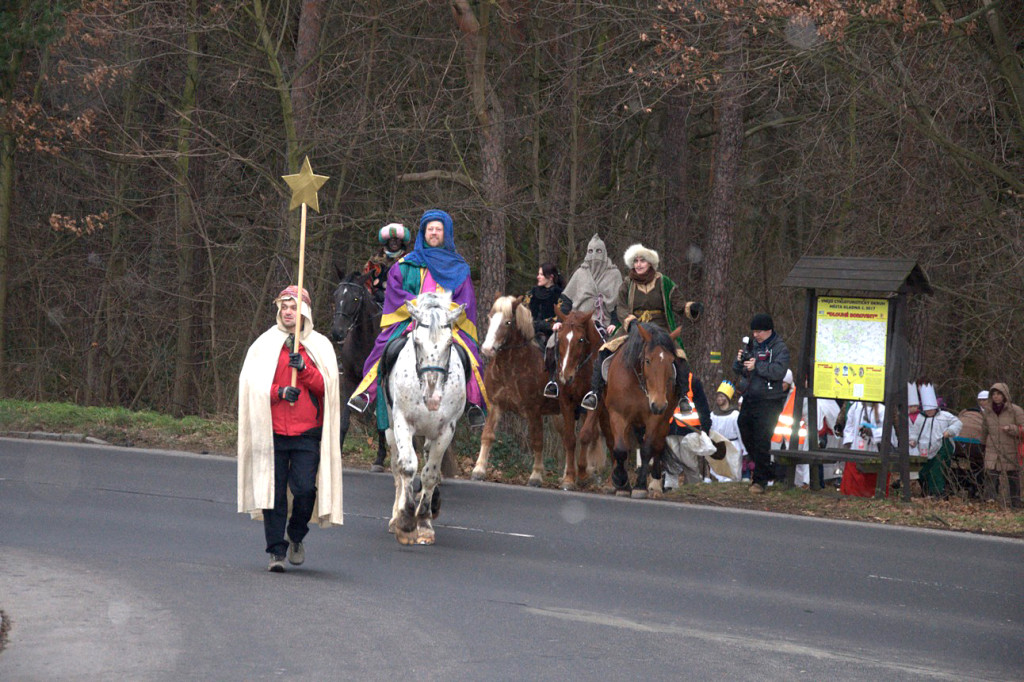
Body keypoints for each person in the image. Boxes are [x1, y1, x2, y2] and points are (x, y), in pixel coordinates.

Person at [347, 209, 488, 428]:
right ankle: (366, 394)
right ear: (424, 233)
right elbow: (395, 292)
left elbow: (465, 300)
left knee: (471, 357)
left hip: (447, 324)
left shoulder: (460, 268)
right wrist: (420, 307)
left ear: (446, 233)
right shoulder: (406, 265)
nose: (433, 233)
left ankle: (474, 404)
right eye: (430, 229)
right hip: (410, 319)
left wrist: (441, 312)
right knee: (382, 349)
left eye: (438, 229)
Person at [237, 286, 343, 572]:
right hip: (272, 431)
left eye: (293, 307)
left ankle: (296, 536)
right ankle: (276, 552)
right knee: (274, 494)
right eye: (284, 307)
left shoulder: (319, 346)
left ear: (304, 312)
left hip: (307, 433)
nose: (287, 312)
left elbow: (327, 389)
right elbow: (252, 386)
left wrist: (305, 369)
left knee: (305, 489)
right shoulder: (264, 344)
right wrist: (279, 392)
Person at [581, 243, 702, 411]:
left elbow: (679, 304)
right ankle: (594, 393)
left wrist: (691, 307)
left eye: (642, 261)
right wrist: (630, 322)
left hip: (660, 329)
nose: (638, 264)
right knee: (604, 350)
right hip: (634, 327)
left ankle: (682, 397)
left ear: (650, 263)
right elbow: (621, 307)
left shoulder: (664, 282)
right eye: (636, 261)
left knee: (680, 357)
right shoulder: (627, 284)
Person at [733, 313, 790, 494]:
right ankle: (764, 467)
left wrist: (757, 365)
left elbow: (778, 372)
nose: (755, 335)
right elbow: (739, 370)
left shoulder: (780, 348)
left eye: (758, 331)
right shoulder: (753, 345)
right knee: (744, 427)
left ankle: (759, 481)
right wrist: (740, 361)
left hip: (769, 400)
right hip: (750, 396)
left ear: (768, 330)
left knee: (762, 439)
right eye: (754, 331)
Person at [523, 262, 572, 398]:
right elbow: (523, 311)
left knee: (552, 348)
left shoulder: (561, 296)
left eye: (540, 274)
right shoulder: (531, 293)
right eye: (538, 274)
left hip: (550, 333)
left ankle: (552, 381)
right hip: (529, 330)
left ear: (550, 277)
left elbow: (559, 317)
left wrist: (548, 325)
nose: (538, 277)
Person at [561, 234, 622, 334]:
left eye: (598, 251)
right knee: (554, 342)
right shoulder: (580, 273)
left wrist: (614, 323)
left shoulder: (614, 274)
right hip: (577, 321)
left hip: (605, 322)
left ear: (604, 252)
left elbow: (618, 303)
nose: (594, 255)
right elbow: (567, 300)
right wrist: (560, 321)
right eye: (590, 251)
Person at [910, 382, 963, 497]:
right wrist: (913, 440)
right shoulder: (920, 418)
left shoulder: (944, 416)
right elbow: (915, 431)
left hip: (941, 447)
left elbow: (957, 422)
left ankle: (938, 493)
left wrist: (950, 431)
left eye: (931, 409)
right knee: (922, 471)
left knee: (937, 470)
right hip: (924, 449)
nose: (929, 412)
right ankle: (927, 491)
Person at [979, 382, 1024, 507]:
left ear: (1005, 395)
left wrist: (1012, 428)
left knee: (1013, 476)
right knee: (991, 475)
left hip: (1010, 449)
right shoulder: (988, 411)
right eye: (993, 394)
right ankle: (990, 501)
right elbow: (984, 430)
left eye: (999, 394)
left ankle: (1015, 502)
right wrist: (982, 444)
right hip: (992, 448)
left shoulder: (1015, 410)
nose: (996, 396)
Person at [839, 400, 887, 497]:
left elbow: (886, 430)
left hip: (872, 448)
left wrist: (872, 432)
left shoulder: (882, 409)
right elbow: (849, 426)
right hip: (856, 447)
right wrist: (848, 442)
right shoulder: (856, 406)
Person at [362, 222, 411, 304]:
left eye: (397, 240)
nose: (394, 243)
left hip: (400, 304)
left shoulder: (408, 260)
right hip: (375, 303)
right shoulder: (374, 260)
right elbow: (366, 282)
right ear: (387, 241)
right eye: (392, 240)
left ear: (401, 242)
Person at [953, 390, 989, 498]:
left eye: (985, 400)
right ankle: (976, 488)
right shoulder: (980, 413)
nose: (982, 402)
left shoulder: (966, 412)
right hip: (975, 444)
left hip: (959, 443)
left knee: (977, 466)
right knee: (979, 465)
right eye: (981, 400)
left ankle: (974, 487)